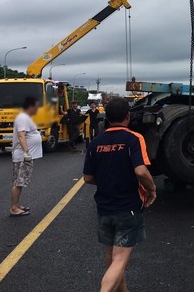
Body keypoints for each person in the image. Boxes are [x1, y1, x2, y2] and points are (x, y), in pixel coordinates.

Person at [83, 98, 157, 292]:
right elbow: (140, 171)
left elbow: (88, 178)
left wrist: (109, 179)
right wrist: (152, 189)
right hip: (128, 208)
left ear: (106, 118)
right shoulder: (134, 138)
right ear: (128, 116)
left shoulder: (95, 143)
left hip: (104, 210)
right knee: (119, 262)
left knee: (113, 261)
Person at [10, 96, 43, 217]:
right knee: (18, 182)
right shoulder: (23, 118)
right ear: (31, 106)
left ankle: (17, 205)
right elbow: (21, 136)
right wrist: (26, 153)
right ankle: (14, 208)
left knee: (20, 181)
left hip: (22, 155)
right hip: (22, 156)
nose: (37, 109)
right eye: (36, 107)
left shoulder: (24, 117)